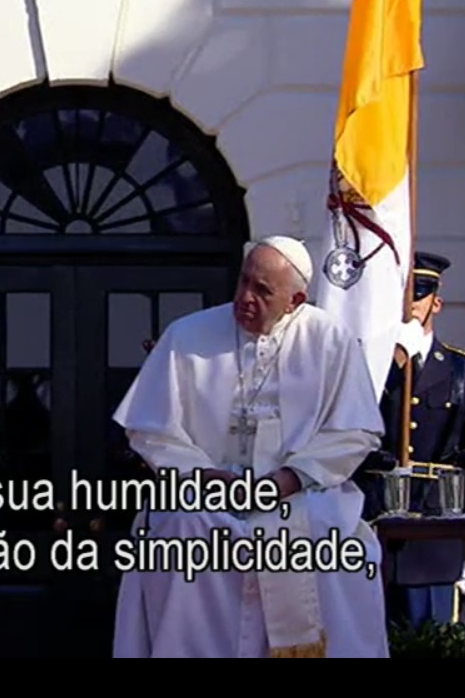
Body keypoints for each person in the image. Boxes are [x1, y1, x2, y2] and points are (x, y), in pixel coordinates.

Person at [110, 235, 389, 658]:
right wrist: (201, 474)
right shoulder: (187, 334)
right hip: (205, 491)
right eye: (244, 281)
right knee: (183, 527)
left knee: (326, 536)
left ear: (295, 300)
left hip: (301, 491)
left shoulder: (330, 339)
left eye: (263, 290)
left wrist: (291, 478)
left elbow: (356, 431)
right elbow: (150, 428)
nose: (245, 297)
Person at [371, 252, 465, 628]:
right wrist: (393, 362)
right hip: (377, 524)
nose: (410, 304)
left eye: (418, 294)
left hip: (438, 532)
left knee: (435, 635)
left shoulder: (462, 369)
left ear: (436, 303)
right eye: (403, 295)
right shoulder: (372, 366)